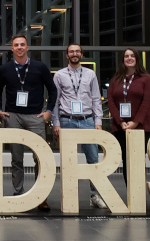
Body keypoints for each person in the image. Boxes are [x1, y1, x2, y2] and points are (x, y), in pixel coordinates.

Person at [0, 35, 58, 211]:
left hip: (35, 117)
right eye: (16, 45)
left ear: (27, 47)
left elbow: (52, 90)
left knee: (40, 157)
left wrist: (48, 111)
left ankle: (41, 196)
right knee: (16, 158)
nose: (19, 47)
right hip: (13, 116)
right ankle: (18, 193)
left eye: (22, 44)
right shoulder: (5, 69)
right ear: (12, 49)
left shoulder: (40, 67)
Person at [51, 44, 107, 209]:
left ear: (81, 54)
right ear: (66, 55)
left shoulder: (90, 74)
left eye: (77, 51)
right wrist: (56, 122)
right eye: (71, 51)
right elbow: (55, 100)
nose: (74, 54)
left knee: (93, 160)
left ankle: (95, 195)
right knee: (68, 161)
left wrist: (98, 121)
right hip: (67, 120)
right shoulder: (59, 75)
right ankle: (69, 196)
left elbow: (96, 98)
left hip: (87, 120)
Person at [107, 48, 150, 184]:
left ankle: (139, 196)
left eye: (132, 56)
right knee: (126, 161)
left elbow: (146, 103)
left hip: (140, 128)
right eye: (126, 56)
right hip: (120, 128)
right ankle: (131, 195)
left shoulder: (146, 79)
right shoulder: (116, 79)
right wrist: (121, 122)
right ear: (123, 59)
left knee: (137, 161)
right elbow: (111, 102)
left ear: (137, 59)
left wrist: (135, 123)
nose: (129, 58)